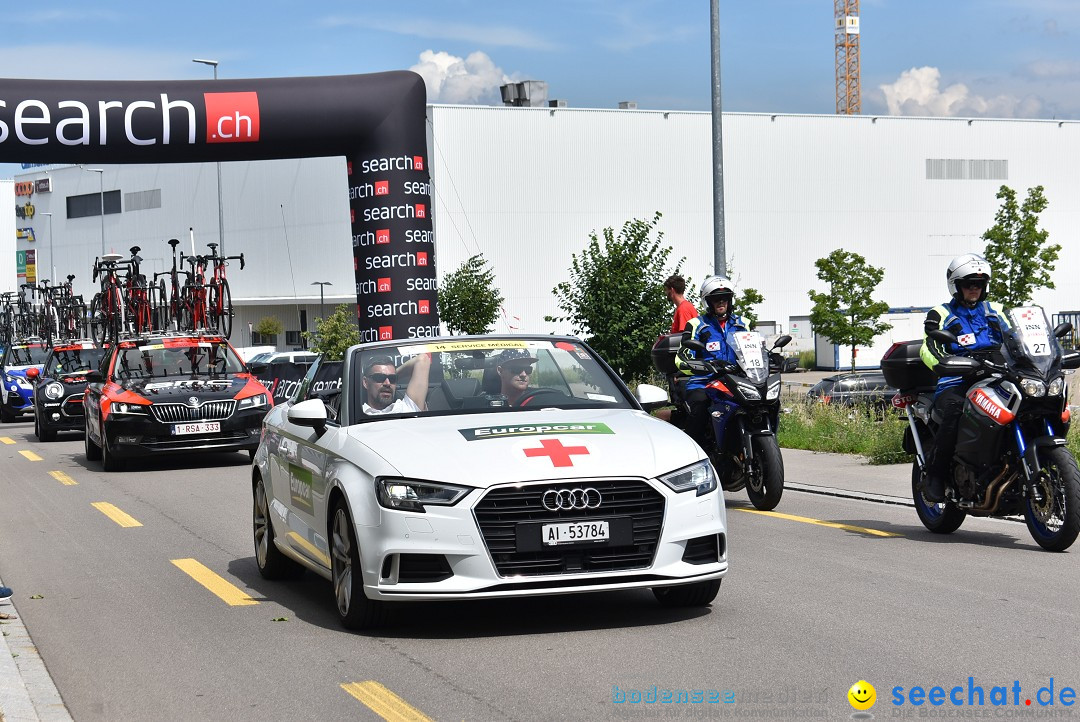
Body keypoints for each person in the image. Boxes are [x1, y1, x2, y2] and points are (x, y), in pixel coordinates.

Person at [919, 253, 1009, 502]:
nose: (974, 289)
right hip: (958, 379)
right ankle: (935, 475)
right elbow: (930, 346)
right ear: (956, 286)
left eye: (979, 284)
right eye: (969, 284)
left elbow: (1020, 336)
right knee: (956, 409)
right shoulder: (941, 313)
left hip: (997, 376)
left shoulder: (998, 311)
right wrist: (946, 365)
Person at [675, 276, 747, 450]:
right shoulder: (697, 325)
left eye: (724, 298)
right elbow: (682, 356)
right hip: (704, 382)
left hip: (735, 381)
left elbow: (753, 348)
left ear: (730, 300)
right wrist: (700, 366)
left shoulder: (743, 324)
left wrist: (769, 357)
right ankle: (693, 455)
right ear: (709, 301)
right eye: (716, 298)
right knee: (699, 410)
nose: (720, 301)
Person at [361, 352, 431, 415]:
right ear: (365, 382)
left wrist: (395, 374)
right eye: (379, 377)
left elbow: (422, 360)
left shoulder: (406, 408)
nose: (387, 383)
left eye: (392, 379)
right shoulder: (357, 413)